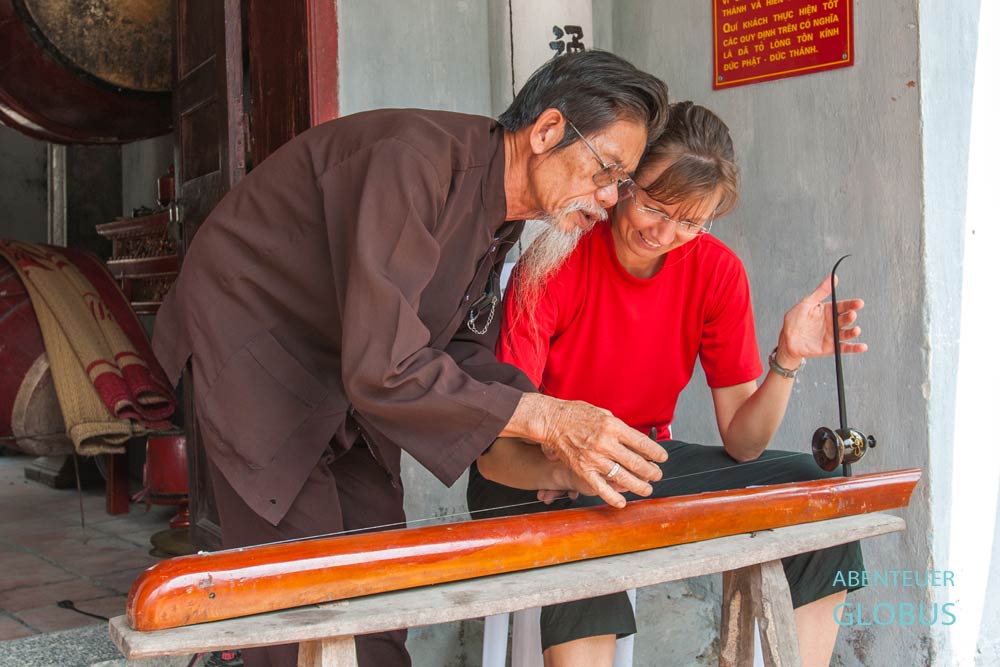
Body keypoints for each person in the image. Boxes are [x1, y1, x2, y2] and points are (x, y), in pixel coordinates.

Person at [151, 50, 670, 667]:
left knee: (380, 592)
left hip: (347, 383)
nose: (610, 198)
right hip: (257, 354)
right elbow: (386, 367)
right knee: (303, 607)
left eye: (621, 183)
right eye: (605, 170)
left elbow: (463, 360)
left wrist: (557, 460)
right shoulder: (415, 163)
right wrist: (548, 420)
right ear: (549, 131)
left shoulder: (497, 223)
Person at [468, 101, 868, 667]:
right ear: (624, 181)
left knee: (817, 493)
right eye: (655, 205)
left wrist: (787, 358)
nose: (664, 232)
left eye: (690, 222)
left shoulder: (716, 270)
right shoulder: (556, 258)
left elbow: (743, 445)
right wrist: (567, 467)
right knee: (590, 524)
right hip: (527, 473)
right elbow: (494, 452)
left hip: (637, 465)